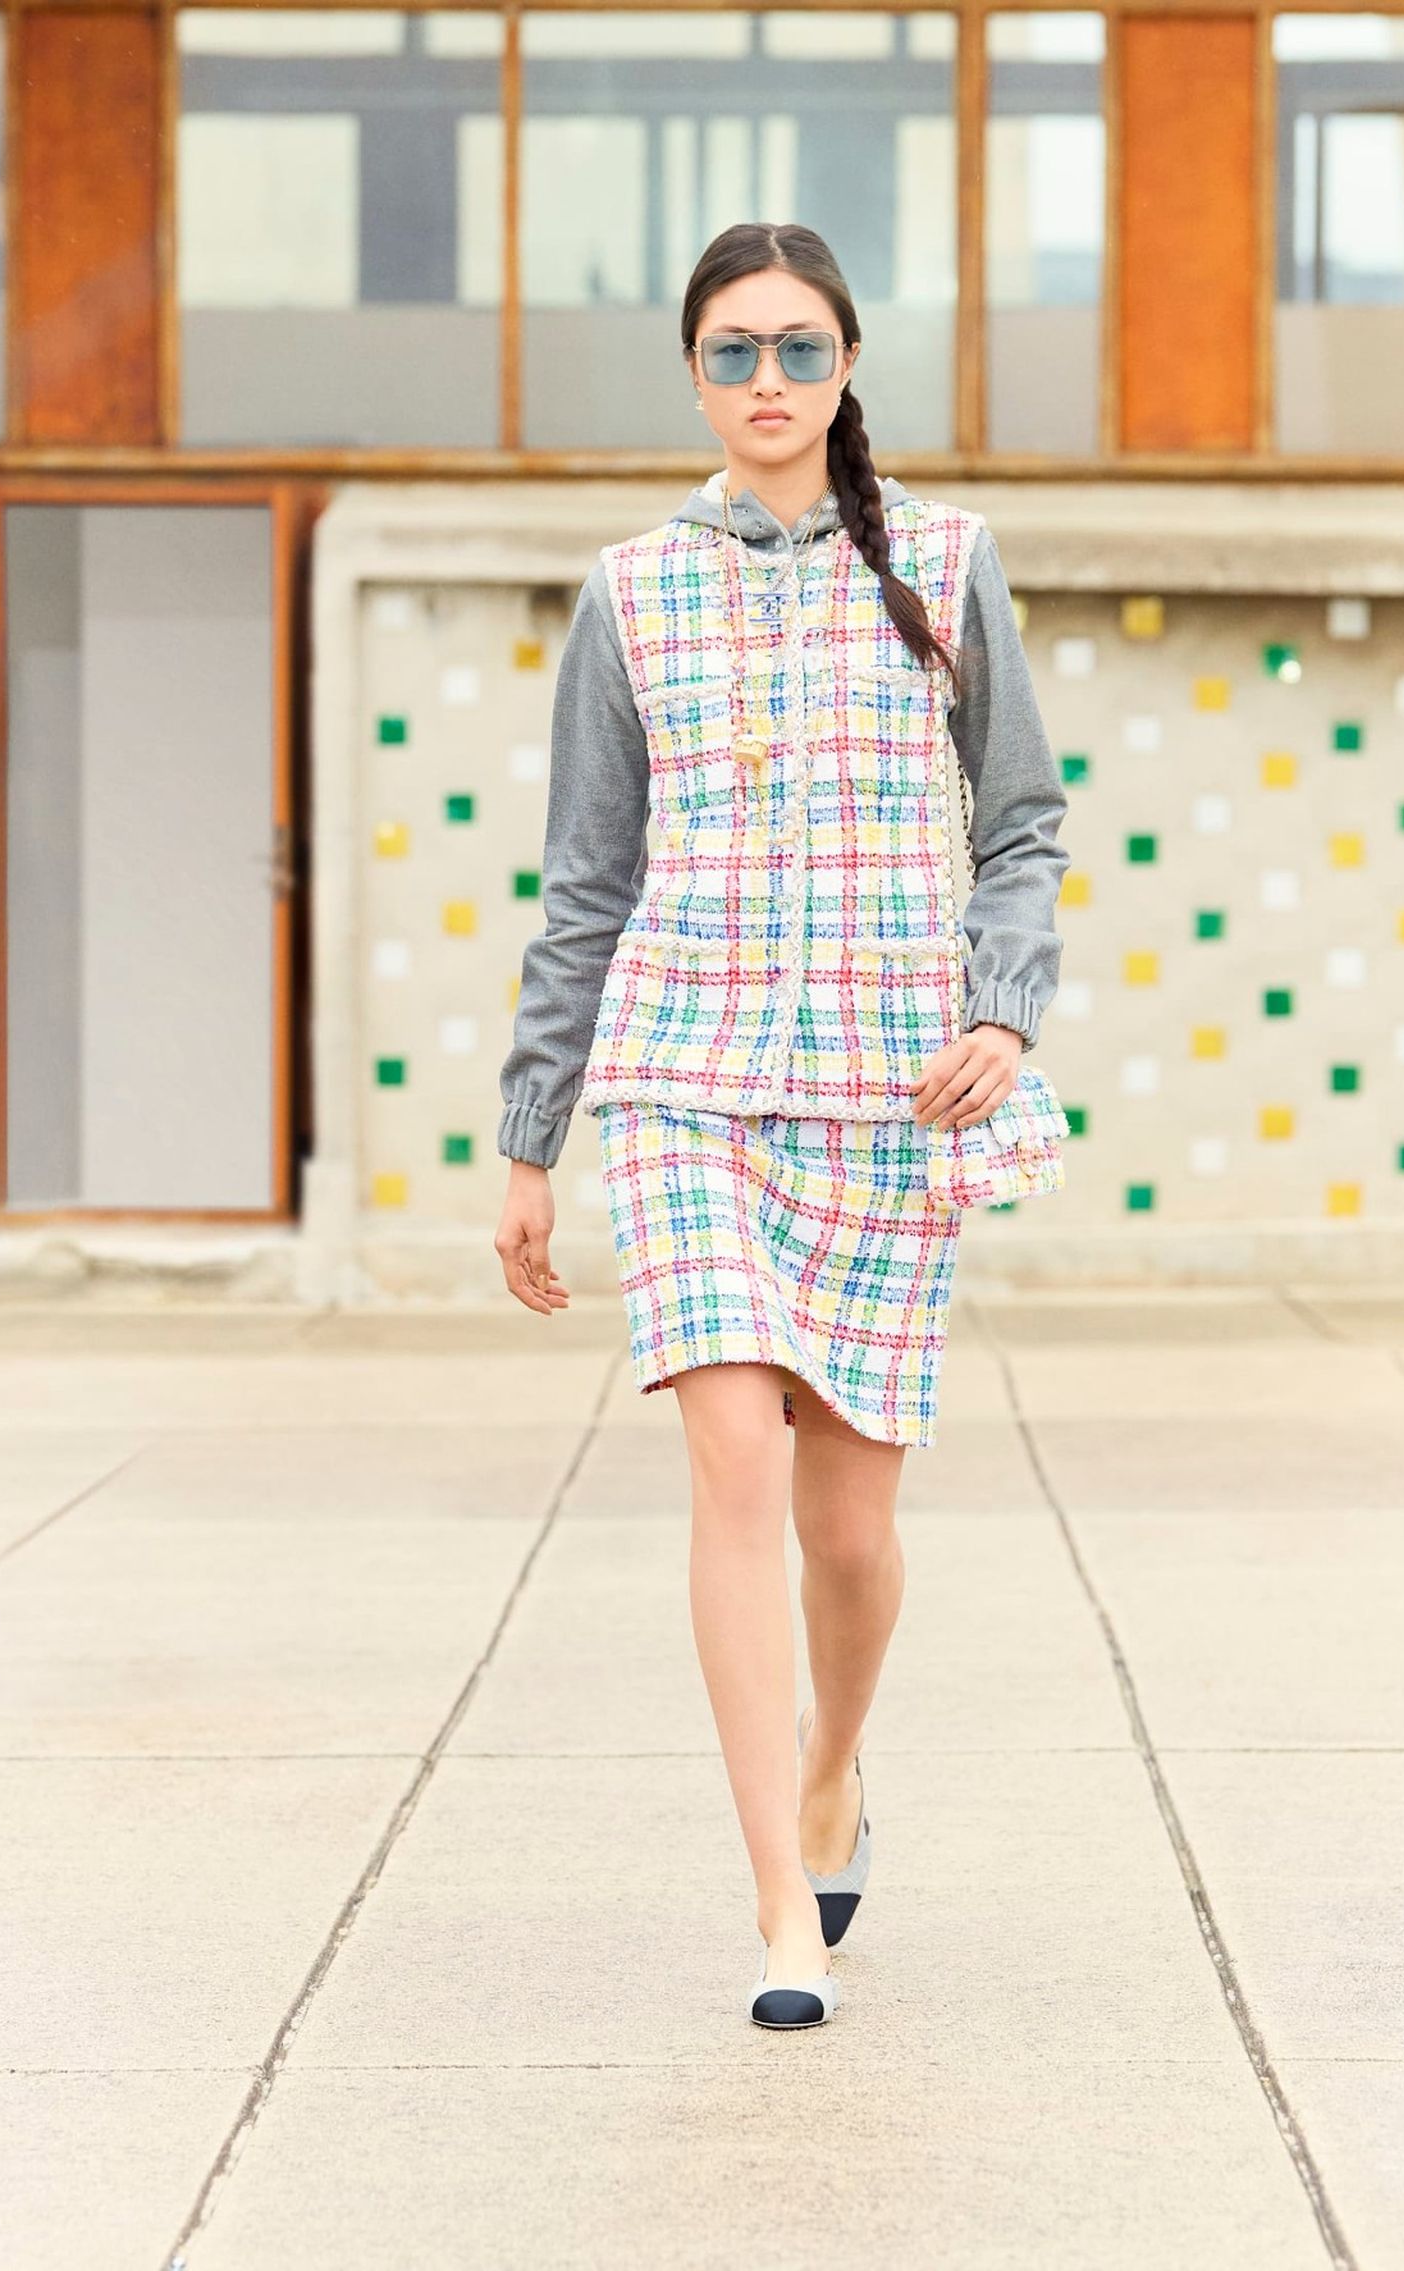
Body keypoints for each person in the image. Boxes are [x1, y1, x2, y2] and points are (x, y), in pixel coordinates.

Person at [494, 221, 1069, 2030]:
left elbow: (1022, 824)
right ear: (693, 375)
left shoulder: (947, 564)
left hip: (890, 1094)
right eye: (733, 351)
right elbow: (586, 883)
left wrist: (1002, 1008)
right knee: (733, 1461)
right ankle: (778, 1913)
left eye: (798, 349)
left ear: (846, 366)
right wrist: (531, 1137)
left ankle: (835, 1769)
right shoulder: (629, 592)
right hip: (683, 1077)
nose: (767, 381)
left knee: (849, 1531)